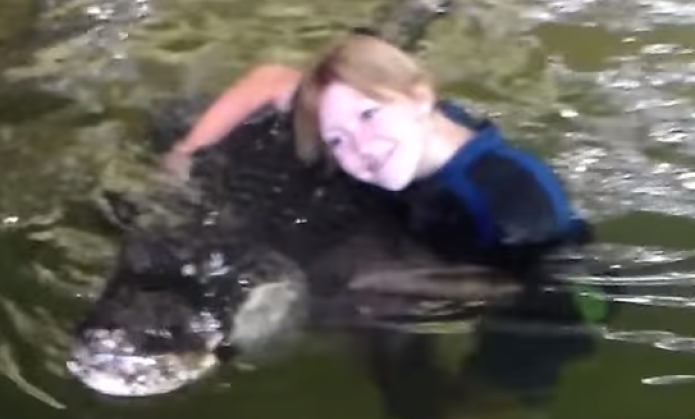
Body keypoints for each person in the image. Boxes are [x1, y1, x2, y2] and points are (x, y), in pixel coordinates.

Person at [162, 31, 592, 265]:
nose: (361, 147)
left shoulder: (515, 202)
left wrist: (403, 282)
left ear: (422, 98)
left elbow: (529, 291)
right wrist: (186, 150)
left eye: (369, 116)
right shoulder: (395, 125)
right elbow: (271, 79)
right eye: (337, 138)